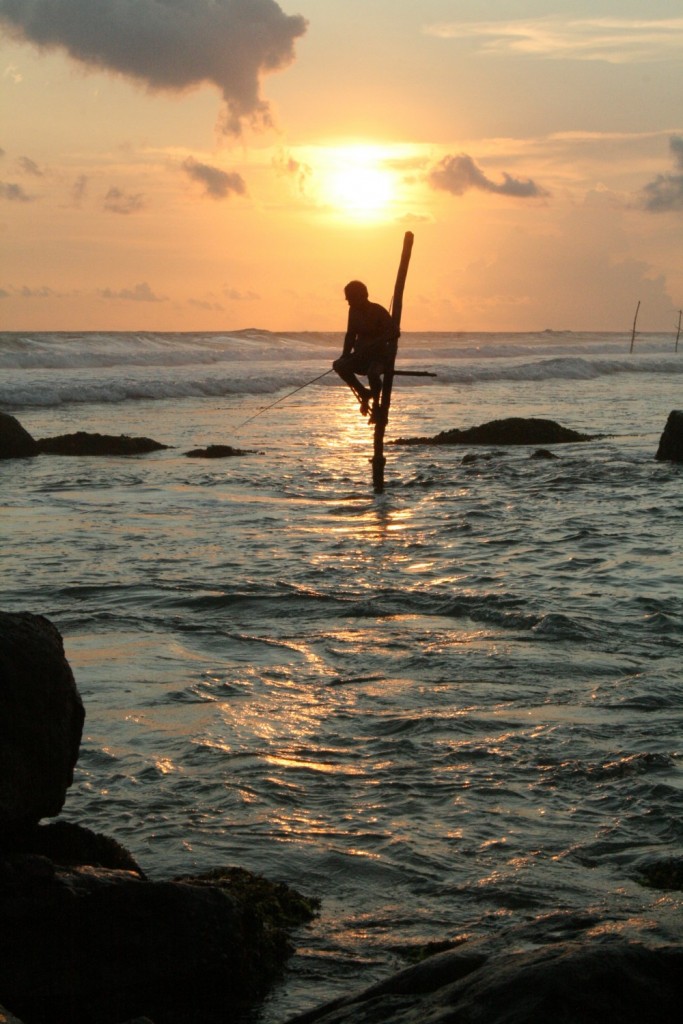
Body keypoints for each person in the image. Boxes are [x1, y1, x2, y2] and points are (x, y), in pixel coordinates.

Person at [333, 280, 398, 421]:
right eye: (347, 298)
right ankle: (363, 393)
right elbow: (350, 335)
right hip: (361, 357)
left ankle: (376, 405)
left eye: (350, 298)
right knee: (338, 365)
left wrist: (376, 342)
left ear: (363, 296)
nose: (348, 302)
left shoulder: (378, 310)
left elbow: (394, 331)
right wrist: (345, 355)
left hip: (379, 357)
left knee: (373, 373)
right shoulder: (353, 311)